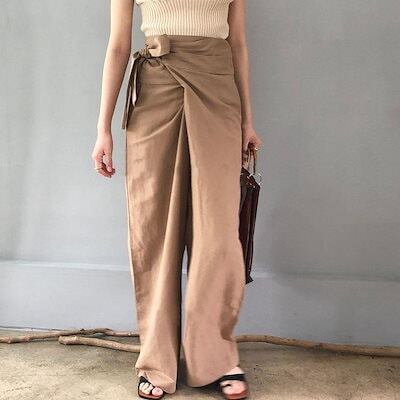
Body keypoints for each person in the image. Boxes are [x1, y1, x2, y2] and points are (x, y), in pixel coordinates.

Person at [91, 0, 262, 399]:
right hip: (155, 89)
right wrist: (103, 128)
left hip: (218, 89)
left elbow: (238, 43)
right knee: (154, 228)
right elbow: (118, 45)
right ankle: (156, 361)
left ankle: (215, 358)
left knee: (217, 232)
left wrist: (248, 120)